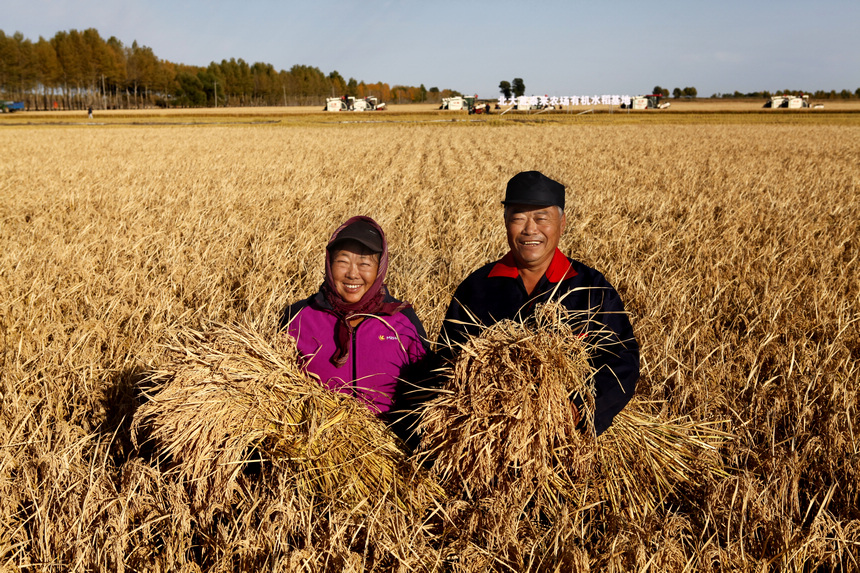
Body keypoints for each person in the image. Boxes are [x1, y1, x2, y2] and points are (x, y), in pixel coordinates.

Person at [438, 171, 639, 436]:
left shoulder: (590, 289)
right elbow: (446, 359)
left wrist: (578, 408)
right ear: (506, 222)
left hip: (569, 436)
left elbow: (621, 360)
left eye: (541, 218)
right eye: (518, 218)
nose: (530, 229)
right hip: (487, 435)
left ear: (562, 223)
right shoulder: (477, 288)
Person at [279, 216, 428, 421]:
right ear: (329, 264)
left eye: (364, 263)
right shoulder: (298, 317)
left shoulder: (402, 321)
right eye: (343, 261)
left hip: (388, 447)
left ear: (380, 269)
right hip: (312, 445)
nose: (352, 274)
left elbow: (426, 392)